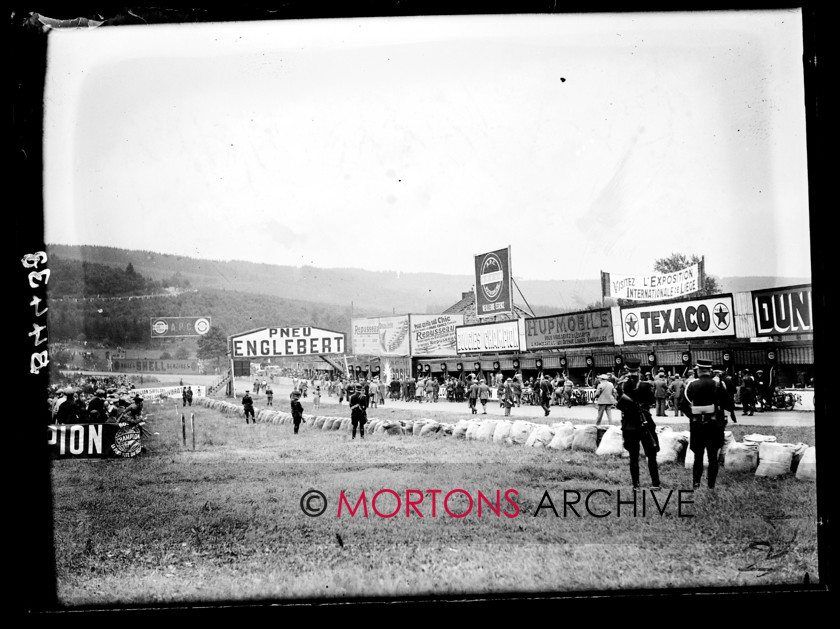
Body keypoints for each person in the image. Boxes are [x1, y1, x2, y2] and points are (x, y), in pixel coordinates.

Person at [684, 359, 737, 490]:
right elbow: (729, 404)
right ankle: (711, 486)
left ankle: (696, 484)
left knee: (698, 456)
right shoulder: (718, 385)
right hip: (715, 426)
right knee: (713, 457)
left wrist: (694, 415)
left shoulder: (691, 385)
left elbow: (683, 405)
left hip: (698, 426)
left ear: (698, 370)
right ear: (709, 370)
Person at [616, 360, 660, 491]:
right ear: (639, 370)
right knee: (651, 455)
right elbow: (652, 401)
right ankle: (655, 484)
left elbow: (620, 403)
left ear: (627, 369)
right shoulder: (646, 386)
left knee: (633, 457)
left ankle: (636, 485)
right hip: (645, 423)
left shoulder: (621, 386)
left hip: (629, 425)